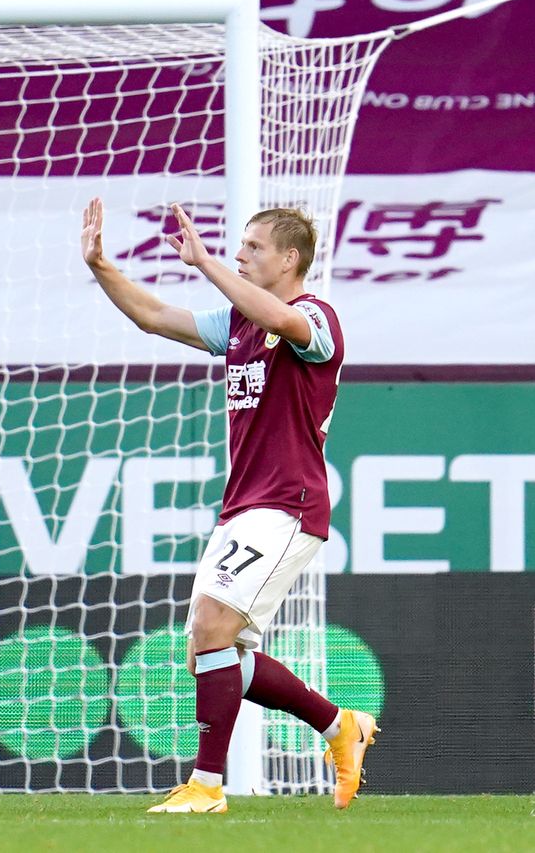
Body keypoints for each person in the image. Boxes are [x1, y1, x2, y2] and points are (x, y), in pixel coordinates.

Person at [80, 198, 377, 814]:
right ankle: (337, 725)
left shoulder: (315, 316)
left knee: (216, 631)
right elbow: (157, 316)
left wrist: (208, 262)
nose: (241, 255)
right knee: (212, 655)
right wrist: (102, 266)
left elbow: (286, 323)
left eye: (253, 248)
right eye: (238, 247)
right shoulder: (241, 326)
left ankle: (208, 787)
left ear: (290, 258)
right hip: (243, 506)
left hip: (288, 504)